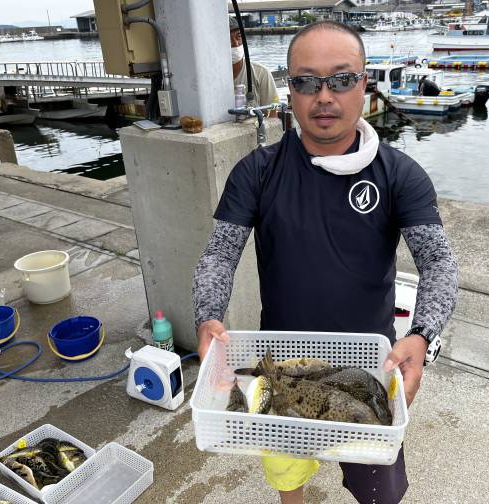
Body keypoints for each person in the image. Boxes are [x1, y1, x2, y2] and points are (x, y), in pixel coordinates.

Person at [194, 20, 458, 504]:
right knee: (287, 472)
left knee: (380, 490)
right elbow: (220, 253)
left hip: (369, 367)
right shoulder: (257, 172)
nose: (324, 96)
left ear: (364, 83)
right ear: (289, 91)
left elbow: (438, 263)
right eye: (306, 82)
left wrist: (422, 336)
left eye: (341, 79)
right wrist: (208, 315)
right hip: (283, 360)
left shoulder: (400, 174)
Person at [229, 16, 279, 109]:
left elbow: (272, 113)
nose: (235, 43)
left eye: (238, 36)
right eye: (228, 38)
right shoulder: (206, 78)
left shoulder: (261, 73)